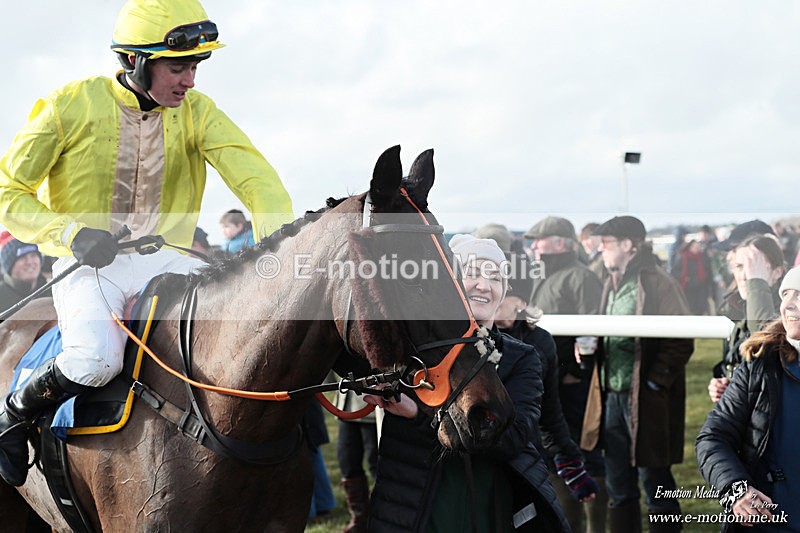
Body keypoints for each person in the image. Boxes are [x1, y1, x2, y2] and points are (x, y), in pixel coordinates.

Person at [0, 0, 293, 487]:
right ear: (136, 61)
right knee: (95, 361)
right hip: (90, 266)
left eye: (195, 67)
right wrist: (71, 234)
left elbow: (259, 181)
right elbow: (8, 191)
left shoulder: (199, 113)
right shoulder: (68, 104)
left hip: (172, 261)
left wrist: (277, 254)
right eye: (179, 67)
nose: (191, 80)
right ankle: (11, 417)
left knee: (251, 341)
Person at [367, 234, 569, 532]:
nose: (484, 285)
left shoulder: (523, 358)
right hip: (418, 500)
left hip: (494, 504)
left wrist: (417, 414)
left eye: (495, 278)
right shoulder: (410, 351)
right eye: (472, 273)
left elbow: (514, 437)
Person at [580, 216, 694, 532]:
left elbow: (682, 340)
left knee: (656, 485)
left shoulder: (660, 282)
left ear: (628, 245)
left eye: (607, 244)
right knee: (619, 490)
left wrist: (656, 382)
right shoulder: (610, 281)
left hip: (646, 401)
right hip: (612, 399)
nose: (601, 251)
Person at [494, 252, 605, 533]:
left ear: (521, 302)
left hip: (526, 456)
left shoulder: (540, 341)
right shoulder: (470, 339)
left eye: (502, 291)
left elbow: (549, 411)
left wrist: (570, 462)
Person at [696, 265, 800, 529]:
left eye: (799, 295)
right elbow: (713, 438)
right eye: (785, 294)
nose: (787, 305)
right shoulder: (760, 364)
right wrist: (736, 490)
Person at [708, 225, 785, 403]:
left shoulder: (788, 310)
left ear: (777, 272)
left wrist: (756, 284)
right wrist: (724, 381)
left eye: (754, 267)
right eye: (739, 266)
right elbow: (739, 362)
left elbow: (766, 349)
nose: (745, 276)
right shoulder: (736, 309)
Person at [335, 388, 378, 533]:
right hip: (346, 406)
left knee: (377, 466)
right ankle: (359, 520)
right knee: (347, 462)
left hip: (373, 405)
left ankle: (384, 518)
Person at [0, 239, 50, 314]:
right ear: (9, 266)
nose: (29, 262)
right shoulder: (2, 297)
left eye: (33, 255)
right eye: (22, 257)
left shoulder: (54, 289)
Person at [671, 239, 713, 315]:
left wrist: (705, 278)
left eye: (698, 246)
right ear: (690, 247)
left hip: (701, 288)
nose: (696, 248)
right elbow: (674, 272)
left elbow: (708, 270)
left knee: (701, 310)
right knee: (691, 309)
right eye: (694, 247)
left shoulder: (703, 257)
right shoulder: (683, 258)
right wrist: (683, 276)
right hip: (688, 289)